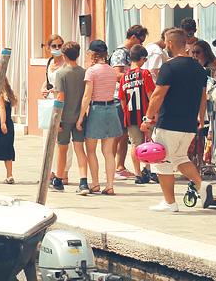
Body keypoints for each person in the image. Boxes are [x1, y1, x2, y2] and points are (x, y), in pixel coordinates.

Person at [141, 28, 207, 212]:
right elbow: (203, 97)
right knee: (179, 158)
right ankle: (202, 185)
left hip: (169, 123)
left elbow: (158, 95)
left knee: (161, 162)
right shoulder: (198, 68)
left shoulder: (169, 67)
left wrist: (147, 118)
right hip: (189, 125)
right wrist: (201, 118)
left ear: (170, 44)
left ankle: (170, 202)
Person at [78, 39, 123, 195]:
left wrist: (80, 116)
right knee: (108, 152)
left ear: (93, 53)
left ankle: (95, 183)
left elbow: (86, 96)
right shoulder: (111, 70)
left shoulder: (91, 71)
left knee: (91, 150)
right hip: (111, 108)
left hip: (97, 108)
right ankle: (110, 185)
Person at [49, 41, 88, 193]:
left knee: (62, 149)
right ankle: (83, 181)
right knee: (80, 149)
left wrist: (56, 118)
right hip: (80, 117)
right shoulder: (84, 72)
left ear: (64, 56)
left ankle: (59, 179)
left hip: (64, 118)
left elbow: (60, 98)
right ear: (78, 55)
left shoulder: (61, 74)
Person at [111, 25, 148, 179]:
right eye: (141, 41)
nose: (141, 45)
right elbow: (116, 74)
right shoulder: (120, 53)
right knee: (118, 135)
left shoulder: (128, 53)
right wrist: (134, 75)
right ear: (133, 37)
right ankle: (112, 167)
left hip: (130, 97)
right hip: (120, 97)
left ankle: (120, 166)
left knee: (126, 135)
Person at [119, 45, 156, 184]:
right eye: (145, 59)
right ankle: (148, 169)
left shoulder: (124, 77)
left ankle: (138, 173)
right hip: (146, 114)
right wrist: (154, 113)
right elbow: (151, 95)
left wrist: (126, 112)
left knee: (135, 144)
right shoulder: (145, 74)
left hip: (131, 115)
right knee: (149, 143)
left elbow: (122, 99)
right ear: (141, 59)